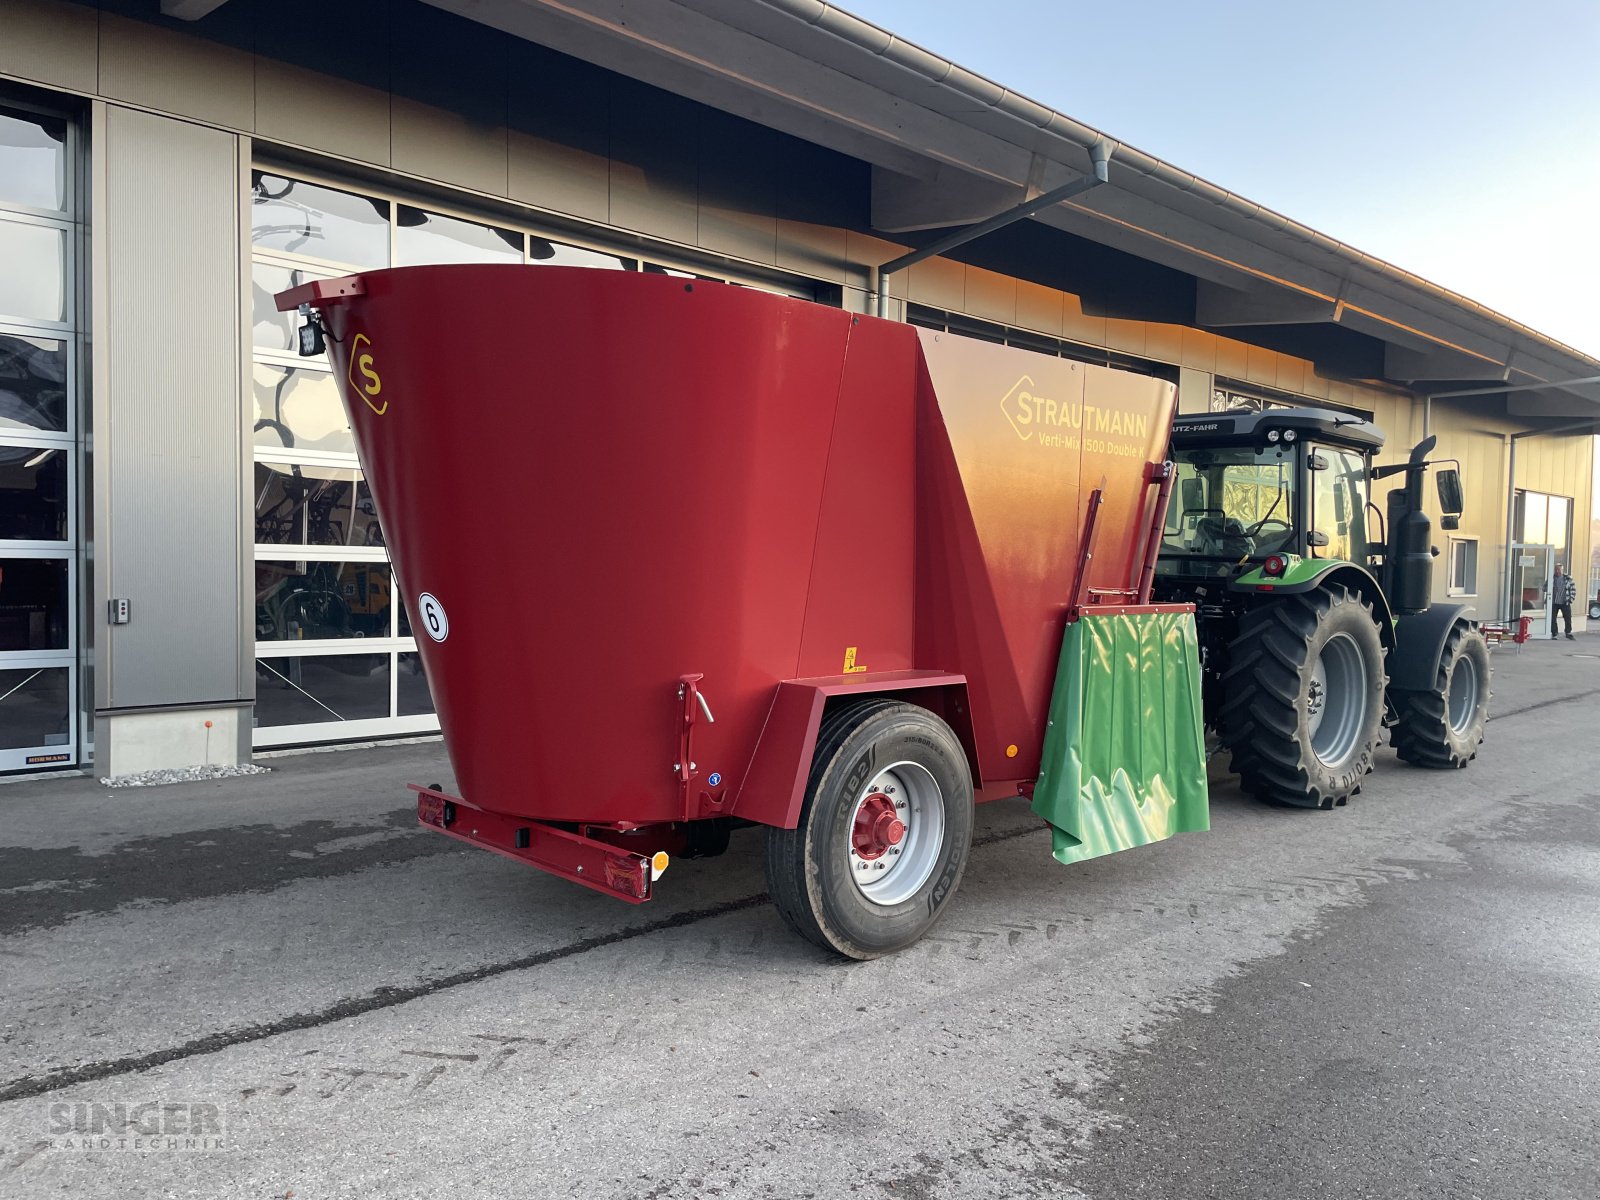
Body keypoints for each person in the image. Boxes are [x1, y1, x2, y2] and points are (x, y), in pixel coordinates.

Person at [1551, 563, 1576, 640]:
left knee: (1568, 617)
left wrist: (1570, 599)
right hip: (1554, 602)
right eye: (1556, 569)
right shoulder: (1551, 578)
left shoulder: (1568, 579)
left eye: (1559, 569)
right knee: (1552, 618)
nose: (1557, 571)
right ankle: (1554, 633)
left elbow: (1573, 589)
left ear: (1562, 570)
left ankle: (1568, 633)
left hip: (1565, 602)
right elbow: (1545, 587)